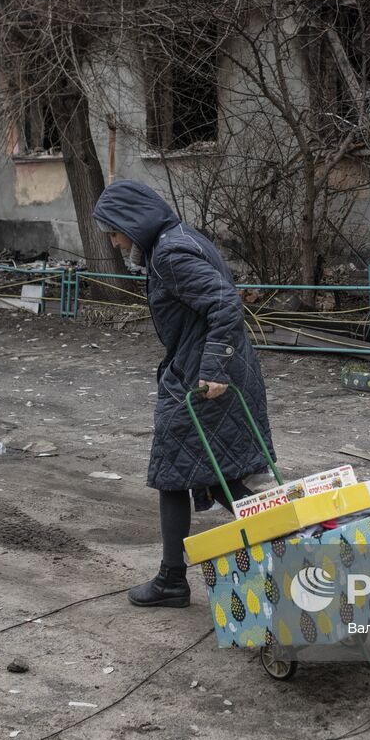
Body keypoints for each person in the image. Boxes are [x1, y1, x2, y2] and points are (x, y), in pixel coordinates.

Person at [92, 180, 276, 607]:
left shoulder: (171, 255)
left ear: (132, 223)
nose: (114, 242)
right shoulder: (179, 239)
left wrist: (212, 369)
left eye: (114, 231)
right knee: (216, 474)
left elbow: (225, 304)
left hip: (205, 379)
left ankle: (175, 578)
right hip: (206, 371)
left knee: (178, 472)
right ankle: (297, 544)